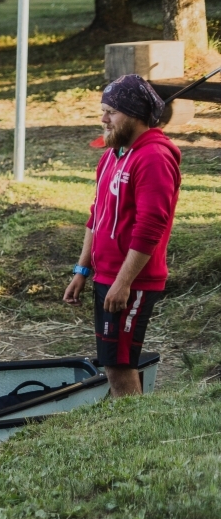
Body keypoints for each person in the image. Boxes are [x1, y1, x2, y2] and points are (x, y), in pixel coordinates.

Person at [63, 74, 180, 397]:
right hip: (106, 275)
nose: (103, 119)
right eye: (103, 110)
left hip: (132, 280)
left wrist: (124, 281)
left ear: (135, 114)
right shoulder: (112, 156)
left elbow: (150, 226)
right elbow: (95, 216)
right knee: (112, 359)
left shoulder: (154, 157)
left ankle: (131, 428)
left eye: (111, 111)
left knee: (118, 363)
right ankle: (126, 417)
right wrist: (82, 270)